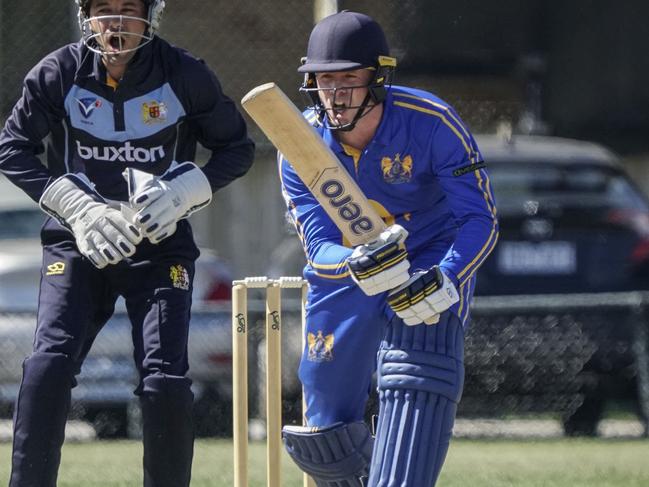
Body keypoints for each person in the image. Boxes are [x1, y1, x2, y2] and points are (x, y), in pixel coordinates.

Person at [0, 0, 254, 485]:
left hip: (159, 246)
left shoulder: (185, 74)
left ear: (152, 17)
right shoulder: (59, 72)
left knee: (164, 381)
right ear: (85, 17)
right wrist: (77, 208)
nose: (115, 23)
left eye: (127, 10)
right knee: (48, 366)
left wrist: (184, 192)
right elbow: (12, 149)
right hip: (79, 242)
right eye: (104, 10)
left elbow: (236, 148)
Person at [278, 11, 498, 487]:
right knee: (324, 428)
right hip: (349, 266)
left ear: (378, 78)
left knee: (417, 370)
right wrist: (355, 262)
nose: (333, 94)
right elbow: (318, 246)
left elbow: (479, 218)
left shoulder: (430, 122)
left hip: (427, 256)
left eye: (348, 79)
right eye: (323, 79)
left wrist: (448, 274)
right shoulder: (298, 144)